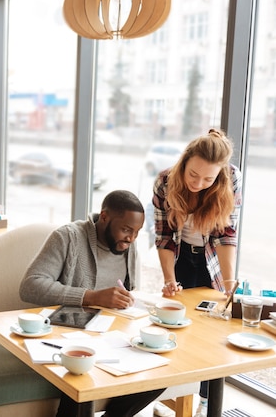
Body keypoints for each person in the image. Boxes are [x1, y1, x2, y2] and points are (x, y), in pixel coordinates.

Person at [20, 190, 165, 417]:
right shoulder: (67, 237)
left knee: (161, 372)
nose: (131, 238)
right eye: (126, 229)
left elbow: (129, 290)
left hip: (112, 336)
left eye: (136, 232)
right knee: (83, 369)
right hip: (67, 334)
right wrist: (91, 296)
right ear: (105, 217)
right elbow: (30, 286)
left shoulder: (128, 244)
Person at [152, 128, 242, 417]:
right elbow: (164, 236)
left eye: (208, 179)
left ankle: (204, 401)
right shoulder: (166, 180)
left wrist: (228, 284)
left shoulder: (232, 179)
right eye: (193, 175)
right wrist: (168, 279)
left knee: (212, 330)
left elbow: (226, 234)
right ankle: (173, 397)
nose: (199, 183)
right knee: (176, 324)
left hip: (210, 260)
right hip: (179, 256)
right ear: (185, 160)